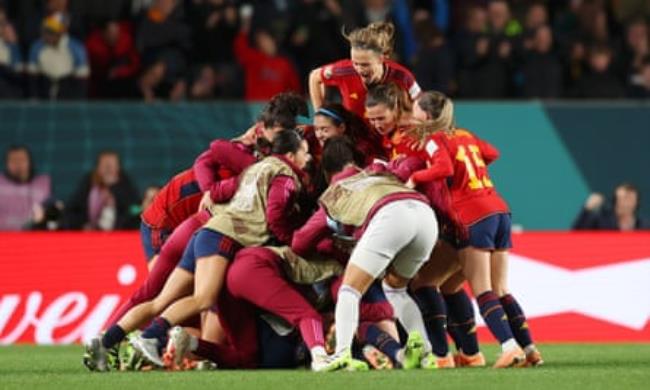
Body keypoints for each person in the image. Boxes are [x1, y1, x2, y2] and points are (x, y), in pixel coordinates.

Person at [129, 130, 311, 367]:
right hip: (219, 243)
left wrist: (210, 191)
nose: (309, 158)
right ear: (290, 154)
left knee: (159, 296)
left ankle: (112, 340)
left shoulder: (247, 174)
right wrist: (292, 242)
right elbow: (275, 217)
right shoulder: (281, 178)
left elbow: (213, 165)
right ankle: (152, 338)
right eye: (305, 152)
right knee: (201, 299)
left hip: (201, 234)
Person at [401, 90, 543, 368]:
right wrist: (472, 170)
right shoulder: (465, 134)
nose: (411, 113)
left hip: (473, 214)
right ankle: (530, 349)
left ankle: (509, 347)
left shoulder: (434, 138)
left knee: (483, 290)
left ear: (427, 116)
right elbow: (492, 152)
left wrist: (414, 177)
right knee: (498, 288)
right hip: (499, 209)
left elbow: (441, 168)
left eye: (415, 109)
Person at [293, 138, 439, 371]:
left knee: (349, 290)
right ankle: (426, 355)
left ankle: (341, 354)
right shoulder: (375, 171)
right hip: (425, 215)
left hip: (391, 215)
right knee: (395, 289)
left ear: (326, 169)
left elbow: (300, 243)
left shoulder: (336, 190)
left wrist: (330, 243)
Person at [308, 21, 421, 120]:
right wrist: (320, 115)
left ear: (382, 58)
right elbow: (315, 76)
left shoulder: (403, 77)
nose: (359, 69)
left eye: (365, 64)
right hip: (355, 139)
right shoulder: (344, 71)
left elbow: (421, 104)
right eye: (355, 63)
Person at [63, 150, 139, 230]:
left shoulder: (125, 183)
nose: (108, 169)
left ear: (118, 168)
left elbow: (135, 209)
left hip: (119, 234)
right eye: (105, 165)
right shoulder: (89, 182)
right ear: (98, 168)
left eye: (112, 165)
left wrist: (114, 188)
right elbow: (72, 209)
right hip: (90, 233)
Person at [27, 12, 89, 99]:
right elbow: (33, 80)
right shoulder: (37, 47)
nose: (47, 35)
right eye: (45, 30)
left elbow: (81, 83)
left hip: (67, 95)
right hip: (44, 93)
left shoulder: (77, 48)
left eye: (51, 31)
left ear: (62, 32)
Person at [0, 145, 51, 230]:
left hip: (31, 237)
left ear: (29, 162)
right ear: (6, 163)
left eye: (21, 159)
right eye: (13, 160)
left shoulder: (43, 184)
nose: (18, 164)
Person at [573, 183, 649, 230]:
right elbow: (577, 235)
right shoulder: (600, 221)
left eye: (628, 198)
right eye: (619, 199)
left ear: (636, 203)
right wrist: (587, 209)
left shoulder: (644, 226)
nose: (623, 203)